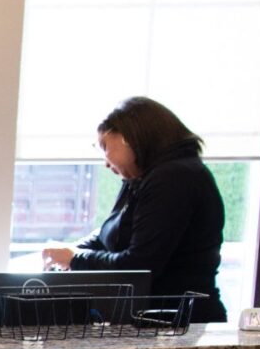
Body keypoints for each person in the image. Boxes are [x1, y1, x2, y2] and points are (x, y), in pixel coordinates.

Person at [41, 96, 228, 322]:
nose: (106, 162)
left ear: (129, 137)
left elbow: (138, 267)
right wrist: (71, 250)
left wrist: (75, 258)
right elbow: (110, 235)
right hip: (159, 320)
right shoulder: (144, 179)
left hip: (176, 323)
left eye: (105, 146)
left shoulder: (173, 179)